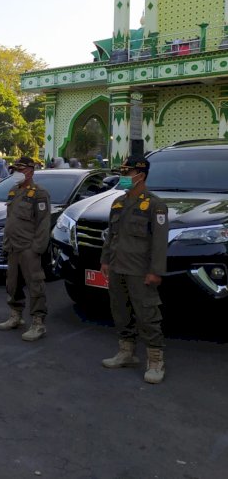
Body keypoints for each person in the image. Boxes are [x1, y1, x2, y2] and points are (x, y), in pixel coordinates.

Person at [100, 156, 168, 384]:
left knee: (147, 314)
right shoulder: (118, 202)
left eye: (127, 173)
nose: (124, 177)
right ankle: (126, 352)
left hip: (140, 270)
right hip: (118, 266)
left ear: (141, 175)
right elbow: (111, 235)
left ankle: (156, 360)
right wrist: (105, 260)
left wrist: (156, 270)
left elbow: (159, 242)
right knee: (120, 310)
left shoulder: (155, 204)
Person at [0, 157, 51, 342]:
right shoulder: (13, 191)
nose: (16, 173)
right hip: (13, 246)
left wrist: (37, 247)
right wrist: (6, 241)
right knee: (12, 284)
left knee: (35, 284)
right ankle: (15, 315)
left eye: (20, 169)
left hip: (29, 247)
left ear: (31, 170)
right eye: (15, 169)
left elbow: (44, 223)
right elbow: (10, 219)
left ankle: (38, 323)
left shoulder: (39, 194)